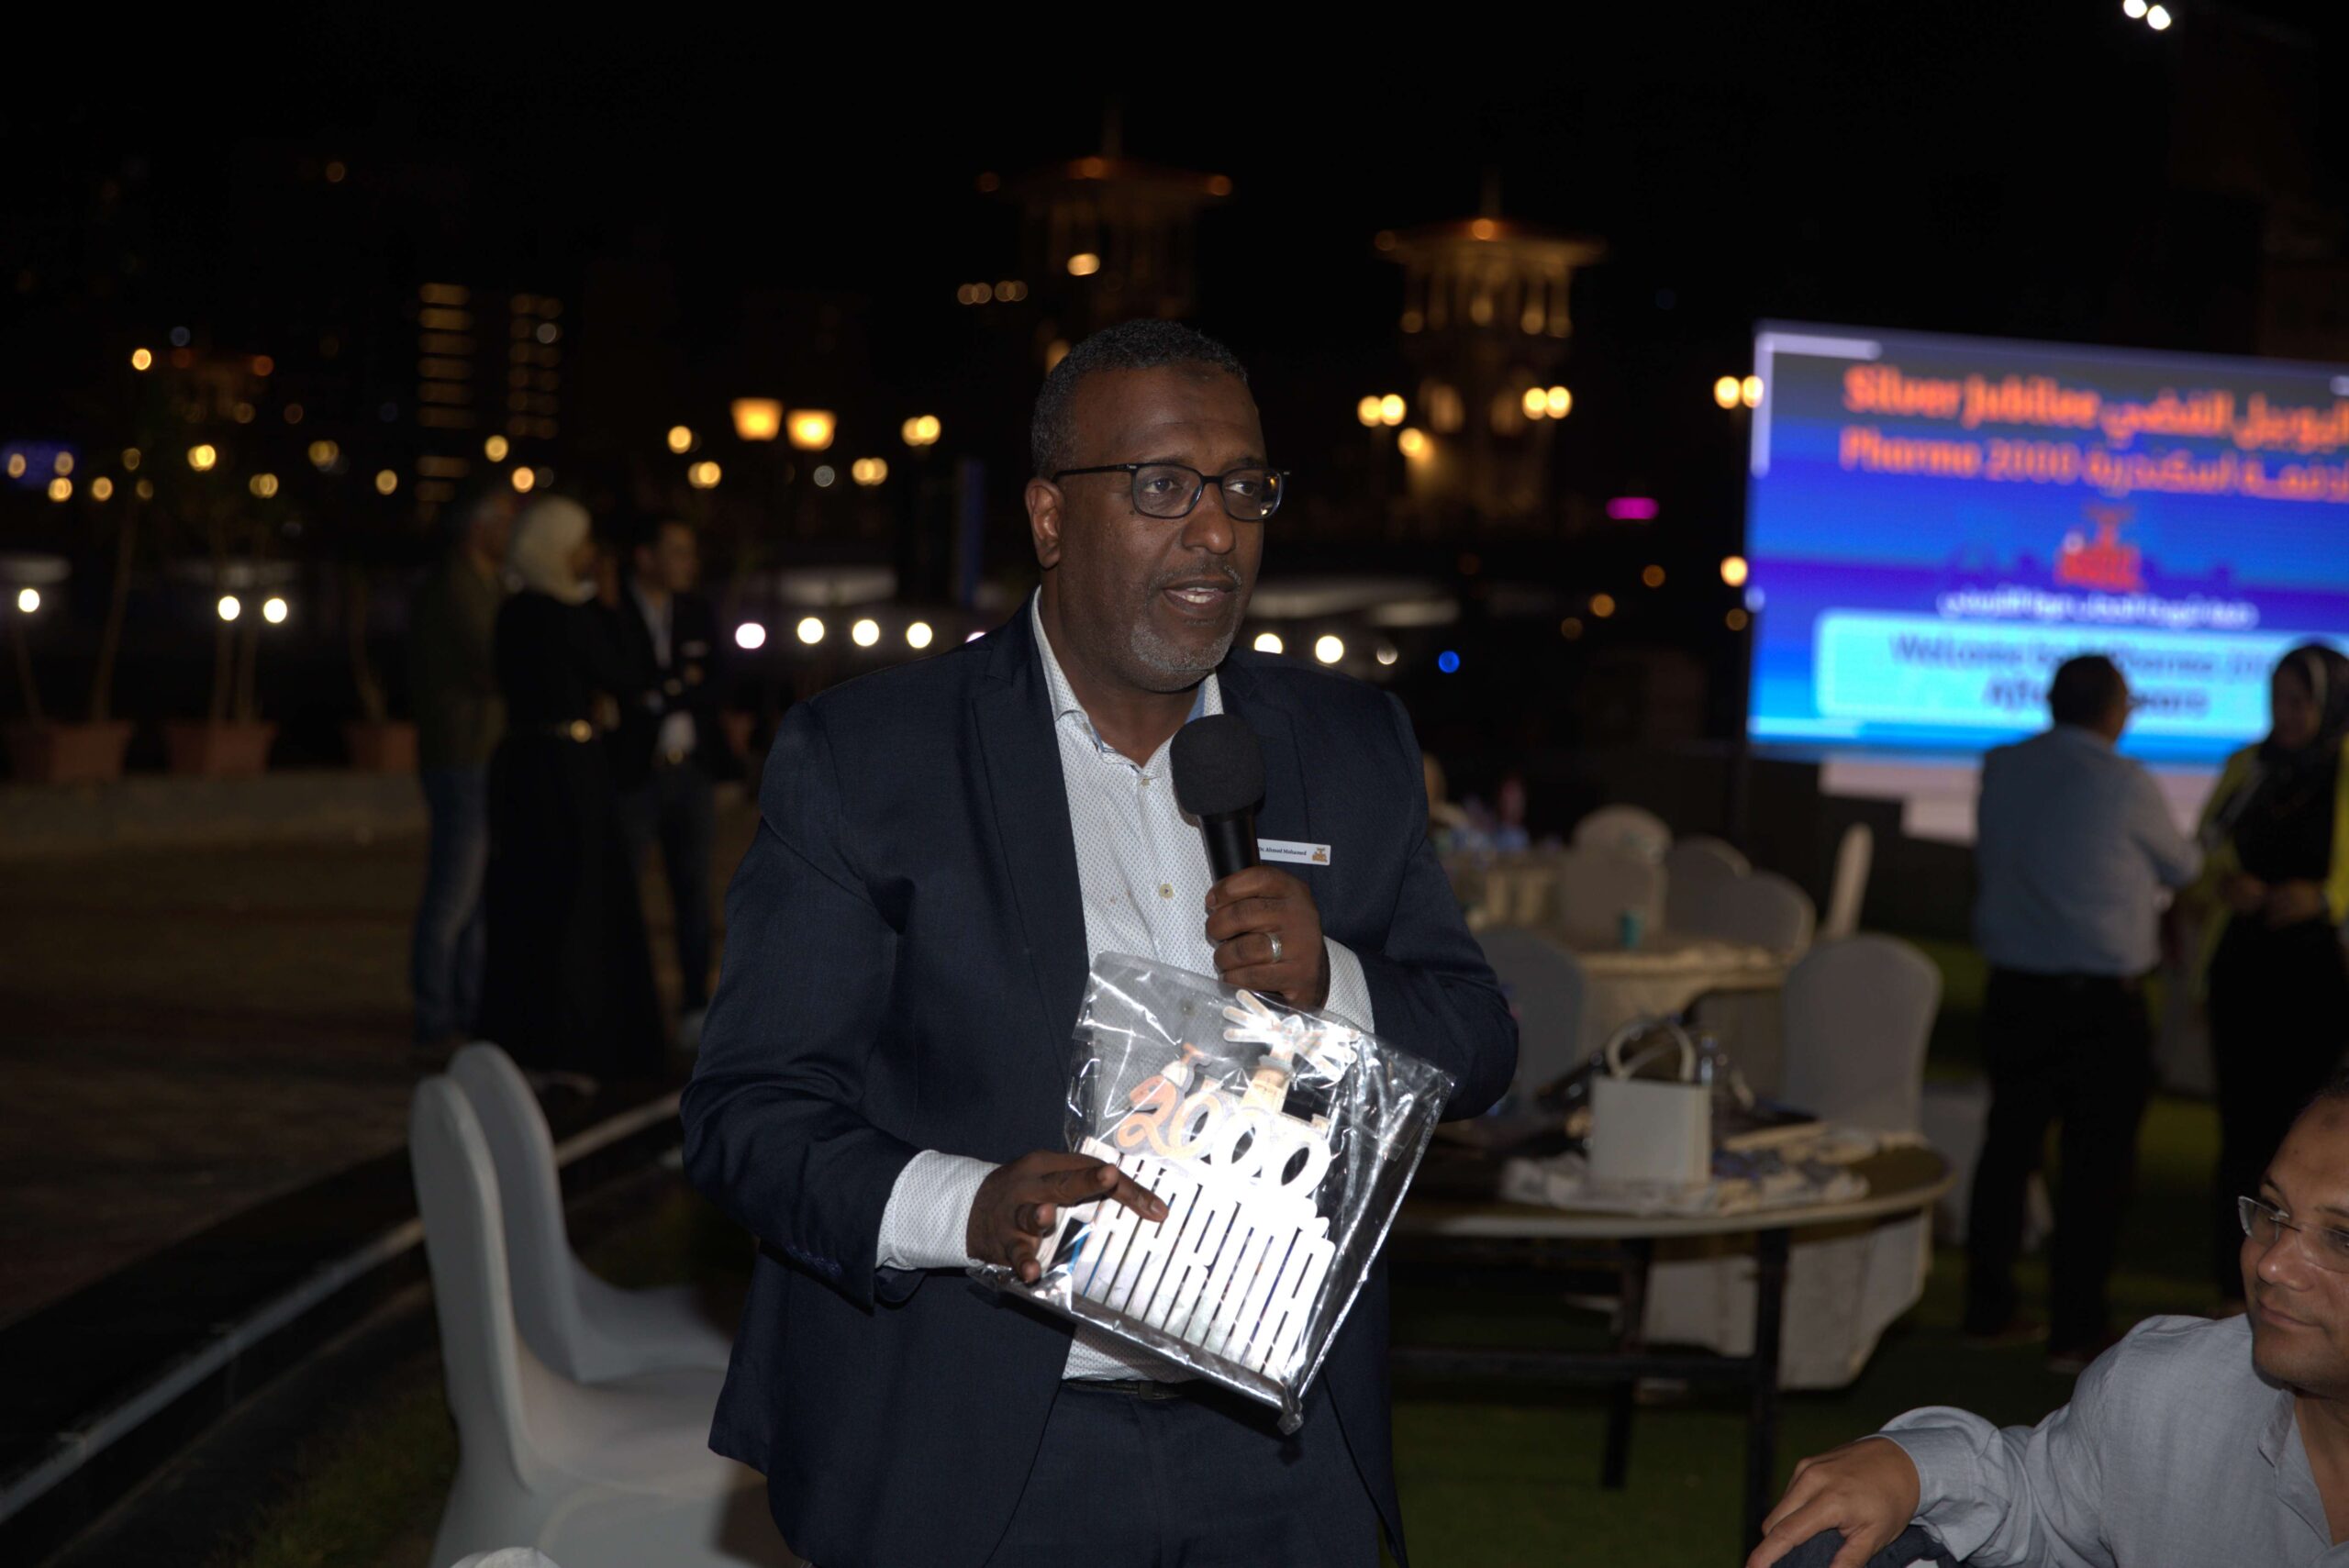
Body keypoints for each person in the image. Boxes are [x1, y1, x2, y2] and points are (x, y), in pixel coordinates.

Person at [682, 320, 1517, 1568]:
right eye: (1163, 485)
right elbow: (749, 1115)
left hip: (1284, 1458)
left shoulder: (1350, 745)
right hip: (981, 1448)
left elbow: (1482, 1042)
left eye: (1244, 487)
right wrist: (969, 1210)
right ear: (1050, 517)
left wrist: (1335, 981)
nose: (1216, 530)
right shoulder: (871, 760)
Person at [1749, 1067, 2349, 1568]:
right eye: (2273, 1211)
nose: (2272, 1264)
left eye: (2343, 1239)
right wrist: (1909, 1467)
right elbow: (2041, 1499)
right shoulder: (2169, 1389)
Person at [1966, 654, 2199, 1367]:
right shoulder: (2123, 781)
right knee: (2095, 1167)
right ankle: (2076, 1326)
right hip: (2098, 1002)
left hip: (2014, 991)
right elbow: (2183, 866)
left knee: (2008, 1152)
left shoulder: (2001, 765)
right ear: (2112, 709)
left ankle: (1988, 1308)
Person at [476, 495, 662, 1084]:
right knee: (578, 901)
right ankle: (575, 1039)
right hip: (566, 770)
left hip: (524, 766)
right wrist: (609, 607)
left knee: (528, 900)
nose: (589, 556)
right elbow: (630, 674)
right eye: (579, 545)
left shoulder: (514, 612)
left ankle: (527, 1038)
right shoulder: (564, 615)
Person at [2198, 642, 2349, 1301]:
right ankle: (2234, 1273)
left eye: (2300, 701)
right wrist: (2227, 883)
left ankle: (2305, 1270)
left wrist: (2324, 898)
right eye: (2276, 699)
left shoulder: (2345, 767)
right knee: (2241, 1124)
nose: (2284, 714)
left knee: (2306, 1124)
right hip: (2244, 966)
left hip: (2318, 973)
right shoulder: (2250, 765)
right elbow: (2205, 850)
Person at [611, 517, 731, 1046]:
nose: (689, 562)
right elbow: (622, 684)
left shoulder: (696, 610)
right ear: (645, 556)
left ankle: (694, 1004)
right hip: (637, 771)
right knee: (625, 892)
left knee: (695, 893)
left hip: (691, 769)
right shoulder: (615, 610)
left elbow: (715, 681)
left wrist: (662, 692)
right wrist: (674, 686)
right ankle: (627, 1008)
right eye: (677, 551)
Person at [406, 482, 515, 1052]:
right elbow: (492, 661)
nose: (510, 535)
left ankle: (467, 1011)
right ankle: (436, 1014)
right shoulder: (456, 588)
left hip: (478, 751)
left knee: (473, 900)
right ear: (478, 529)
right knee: (454, 894)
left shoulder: (483, 582)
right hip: (462, 754)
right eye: (502, 524)